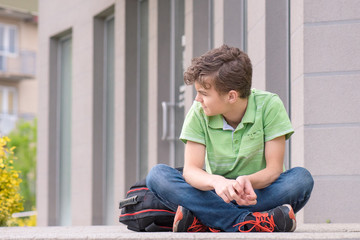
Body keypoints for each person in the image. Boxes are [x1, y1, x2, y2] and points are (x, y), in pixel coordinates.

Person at [146, 45, 314, 232]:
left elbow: (273, 169)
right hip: (215, 195)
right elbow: (191, 170)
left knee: (301, 179)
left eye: (203, 93)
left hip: (256, 195)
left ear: (231, 96)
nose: (197, 100)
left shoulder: (269, 105)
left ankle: (209, 220)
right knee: (157, 175)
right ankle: (251, 222)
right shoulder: (198, 112)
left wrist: (245, 182)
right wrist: (218, 182)